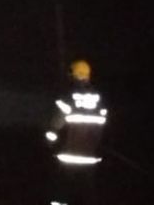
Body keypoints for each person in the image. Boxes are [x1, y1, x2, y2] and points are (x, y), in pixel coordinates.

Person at [45, 59, 107, 205]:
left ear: (73, 75)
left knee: (61, 197)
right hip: (90, 160)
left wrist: (49, 144)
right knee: (87, 198)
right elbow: (104, 129)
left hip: (67, 159)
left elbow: (54, 127)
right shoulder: (100, 101)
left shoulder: (68, 97)